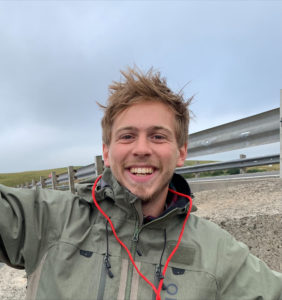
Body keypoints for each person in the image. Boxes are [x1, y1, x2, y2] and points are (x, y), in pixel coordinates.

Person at [0, 67, 281, 300]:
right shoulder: (46, 219)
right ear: (107, 151)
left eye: (158, 136)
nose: (142, 149)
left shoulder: (217, 251)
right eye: (127, 136)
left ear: (181, 152)